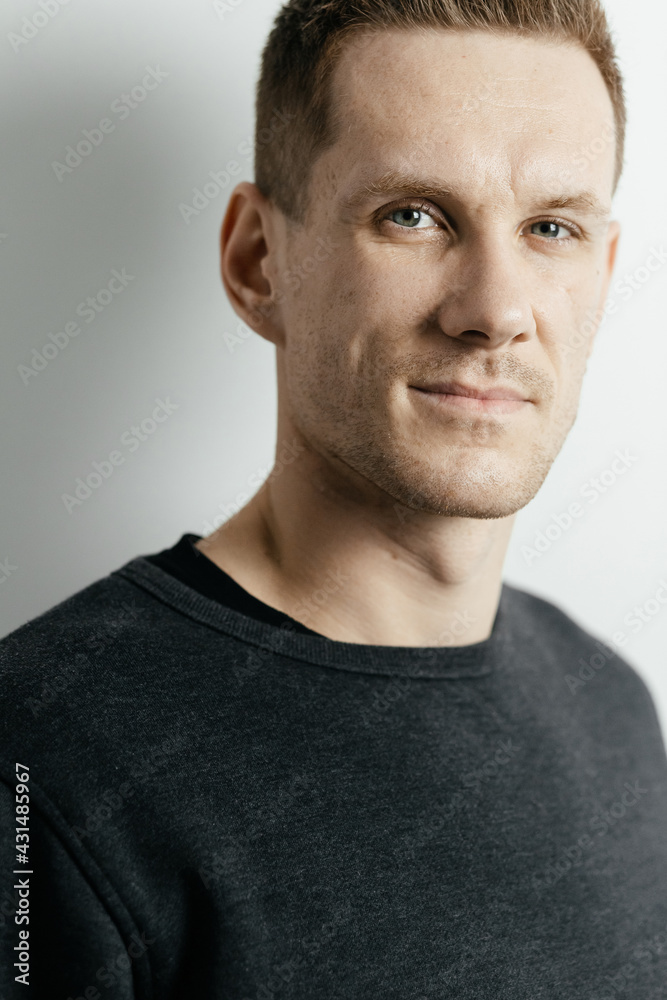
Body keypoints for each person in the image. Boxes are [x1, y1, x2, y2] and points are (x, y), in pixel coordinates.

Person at [2, 0, 667, 996]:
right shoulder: (45, 759)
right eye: (412, 215)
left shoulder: (609, 703)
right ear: (258, 260)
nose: (495, 309)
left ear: (602, 274)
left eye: (550, 228)